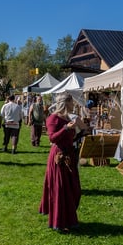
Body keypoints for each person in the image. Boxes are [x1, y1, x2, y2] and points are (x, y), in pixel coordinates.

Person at [38, 93, 88, 233]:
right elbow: (53, 138)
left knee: (74, 189)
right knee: (61, 190)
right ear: (65, 103)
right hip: (59, 156)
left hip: (69, 156)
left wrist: (82, 133)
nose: (74, 105)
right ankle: (59, 222)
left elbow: (70, 138)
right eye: (72, 102)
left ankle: (68, 218)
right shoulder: (53, 118)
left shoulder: (68, 118)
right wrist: (66, 128)